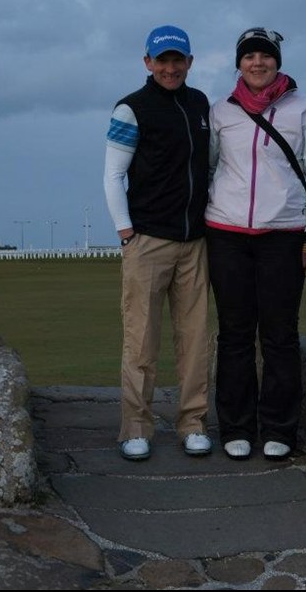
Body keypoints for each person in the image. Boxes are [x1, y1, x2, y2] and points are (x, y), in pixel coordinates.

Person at [206, 27, 306, 461]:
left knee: (280, 334)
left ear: (277, 61)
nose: (257, 62)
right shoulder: (221, 111)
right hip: (226, 234)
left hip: (283, 235)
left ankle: (280, 427)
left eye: (264, 55)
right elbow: (209, 168)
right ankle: (236, 426)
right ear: (238, 63)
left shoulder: (305, 109)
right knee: (235, 334)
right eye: (249, 56)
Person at [103, 25, 212, 461]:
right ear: (148, 62)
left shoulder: (200, 103)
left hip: (195, 240)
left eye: (178, 60)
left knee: (196, 339)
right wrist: (126, 232)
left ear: (189, 61)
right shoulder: (132, 108)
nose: (170, 68)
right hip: (147, 239)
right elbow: (113, 175)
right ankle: (136, 427)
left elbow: (211, 164)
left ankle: (193, 423)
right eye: (162, 60)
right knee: (141, 341)